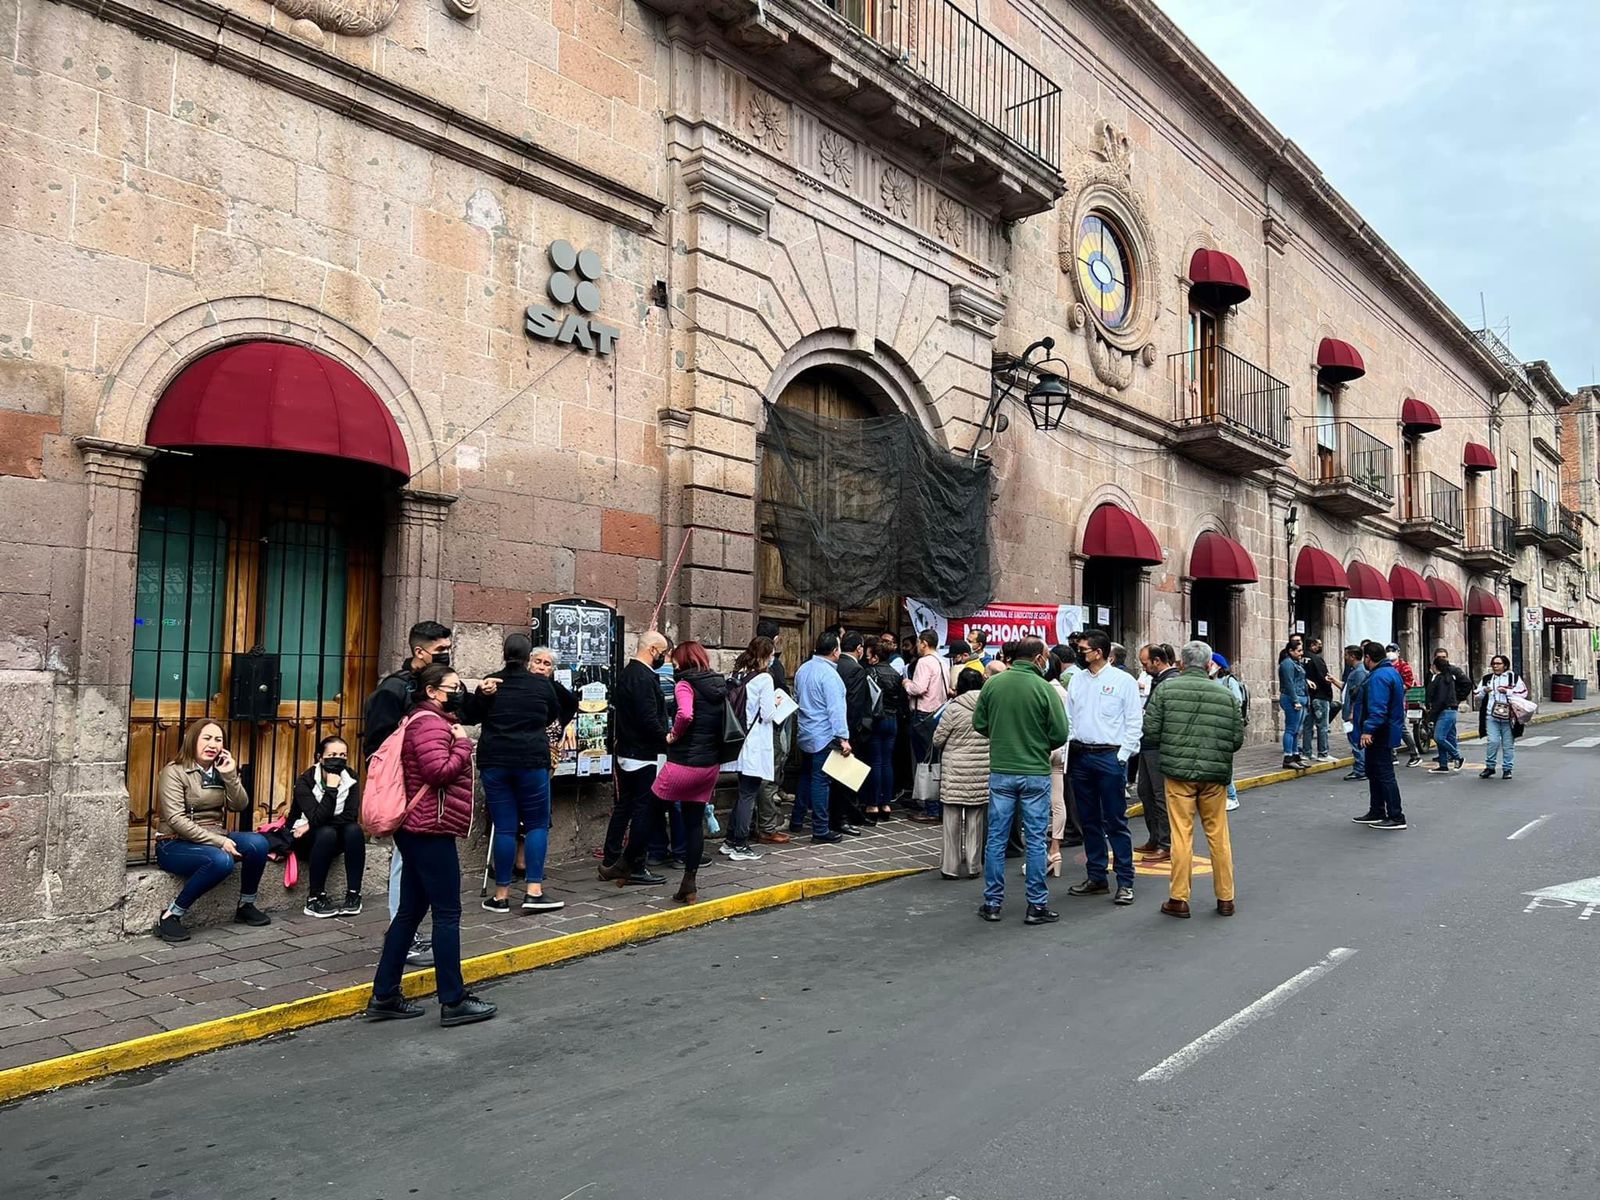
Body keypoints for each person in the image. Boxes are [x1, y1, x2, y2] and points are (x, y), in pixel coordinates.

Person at [365, 664, 496, 1026]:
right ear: (433, 691)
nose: (459, 692)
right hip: (428, 829)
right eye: (453, 687)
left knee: (409, 911)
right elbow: (438, 772)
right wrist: (464, 745)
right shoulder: (429, 723)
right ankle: (453, 1000)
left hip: (419, 828)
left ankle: (385, 994)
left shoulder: (423, 720)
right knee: (448, 912)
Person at [465, 633, 576, 914]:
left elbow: (468, 715)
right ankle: (534, 891)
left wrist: (481, 693)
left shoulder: (491, 682)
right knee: (537, 824)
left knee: (504, 826)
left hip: (495, 762)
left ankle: (500, 895)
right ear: (528, 658)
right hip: (530, 761)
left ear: (504, 654)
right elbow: (554, 713)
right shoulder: (540, 686)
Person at [362, 620, 452, 967]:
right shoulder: (393, 690)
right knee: (403, 860)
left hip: (426, 787)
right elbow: (378, 748)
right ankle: (404, 937)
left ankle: (405, 933)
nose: (445, 655)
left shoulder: (427, 686)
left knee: (412, 862)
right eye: (440, 650)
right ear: (419, 651)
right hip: (405, 788)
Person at [972, 637, 1069, 924]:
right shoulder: (1044, 688)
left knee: (996, 840)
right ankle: (1036, 905)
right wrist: (1038, 743)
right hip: (1035, 772)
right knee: (1037, 840)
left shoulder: (993, 683)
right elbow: (1060, 733)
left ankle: (992, 903)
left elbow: (980, 723)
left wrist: (1003, 736)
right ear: (1039, 658)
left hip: (1002, 769)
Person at [1147, 641, 1244, 918]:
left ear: (1181, 663)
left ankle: (1179, 898)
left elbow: (1151, 732)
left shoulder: (1166, 689)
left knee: (1181, 836)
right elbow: (1236, 739)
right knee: (1218, 836)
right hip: (1214, 775)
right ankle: (1226, 897)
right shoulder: (1225, 695)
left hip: (1178, 773)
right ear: (1207, 664)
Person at [153, 721, 272, 943]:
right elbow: (176, 819)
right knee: (222, 860)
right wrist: (219, 842)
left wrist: (229, 775)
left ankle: (246, 905)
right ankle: (171, 915)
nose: (213, 744)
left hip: (213, 837)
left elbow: (239, 805)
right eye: (206, 738)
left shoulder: (220, 770)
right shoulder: (174, 771)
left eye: (218, 740)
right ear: (192, 740)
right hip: (174, 843)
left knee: (258, 843)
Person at [1065, 630, 1143, 906]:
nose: (1079, 653)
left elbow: (1134, 722)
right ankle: (1096, 876)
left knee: (1115, 821)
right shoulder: (1077, 680)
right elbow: (1069, 717)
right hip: (1082, 755)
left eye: (1083, 649)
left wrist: (1121, 757)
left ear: (1098, 652)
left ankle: (1125, 881)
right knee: (1089, 821)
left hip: (1109, 756)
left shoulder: (1123, 681)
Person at [654, 641, 728, 903]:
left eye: (674, 660)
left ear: (683, 661)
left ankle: (628, 863)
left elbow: (685, 714)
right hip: (710, 764)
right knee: (693, 822)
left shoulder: (685, 684)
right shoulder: (718, 684)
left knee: (648, 806)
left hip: (685, 762)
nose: (672, 664)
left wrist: (674, 734)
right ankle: (690, 882)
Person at [600, 630, 672, 884]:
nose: (663, 657)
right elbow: (648, 717)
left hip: (629, 750)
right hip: (643, 753)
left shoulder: (629, 673)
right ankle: (634, 864)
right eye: (663, 653)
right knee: (644, 810)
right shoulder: (642, 677)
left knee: (625, 806)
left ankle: (612, 858)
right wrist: (666, 737)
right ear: (653, 650)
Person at [292, 736, 365, 919]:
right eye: (332, 755)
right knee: (326, 832)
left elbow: (350, 815)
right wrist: (331, 789)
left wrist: (311, 824)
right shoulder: (305, 782)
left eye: (342, 755)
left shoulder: (351, 778)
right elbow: (317, 818)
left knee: (354, 829)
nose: (337, 759)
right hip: (306, 842)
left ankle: (354, 894)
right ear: (320, 758)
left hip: (334, 837)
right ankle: (315, 898)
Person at [791, 632, 850, 843]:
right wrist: (843, 737)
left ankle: (797, 820)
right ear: (835, 651)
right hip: (823, 734)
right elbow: (836, 710)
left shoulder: (803, 669)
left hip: (806, 731)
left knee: (806, 776)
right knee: (820, 781)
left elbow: (796, 697)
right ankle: (820, 829)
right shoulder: (830, 676)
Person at [723, 636, 776, 862]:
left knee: (743, 792)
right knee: (748, 794)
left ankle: (730, 840)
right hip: (754, 743)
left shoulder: (738, 675)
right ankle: (740, 844)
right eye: (772, 654)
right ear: (766, 655)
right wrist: (777, 703)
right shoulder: (764, 679)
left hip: (738, 741)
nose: (773, 658)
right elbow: (767, 714)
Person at [932, 669, 988, 880]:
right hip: (981, 769)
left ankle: (950, 866)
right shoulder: (987, 707)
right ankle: (974, 865)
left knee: (952, 819)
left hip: (955, 771)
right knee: (975, 818)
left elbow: (938, 739)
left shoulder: (954, 709)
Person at [1351, 641, 1407, 830]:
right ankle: (1377, 810)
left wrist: (1368, 729)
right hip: (1383, 729)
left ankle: (1395, 815)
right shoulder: (1389, 672)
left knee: (1384, 773)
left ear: (1368, 658)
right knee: (1374, 772)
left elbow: (1378, 707)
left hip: (1379, 731)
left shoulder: (1379, 676)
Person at [1134, 643, 1178, 864]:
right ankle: (1155, 837)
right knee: (1146, 792)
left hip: (1158, 746)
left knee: (1159, 795)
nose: (1144, 668)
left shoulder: (1168, 681)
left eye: (1145, 663)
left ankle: (1165, 843)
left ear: (1157, 661)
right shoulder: (1159, 680)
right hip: (1148, 744)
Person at [903, 628, 950, 822]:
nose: (916, 647)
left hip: (923, 715)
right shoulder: (942, 661)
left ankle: (931, 808)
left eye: (918, 643)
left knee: (926, 763)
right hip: (938, 713)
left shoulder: (924, 662)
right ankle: (938, 806)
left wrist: (906, 683)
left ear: (924, 643)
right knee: (936, 761)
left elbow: (919, 688)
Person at [754, 619, 795, 845]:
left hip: (749, 733)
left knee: (750, 781)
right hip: (769, 731)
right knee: (768, 778)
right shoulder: (770, 671)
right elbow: (770, 710)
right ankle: (767, 828)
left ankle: (752, 826)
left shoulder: (743, 666)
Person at [832, 632, 873, 833]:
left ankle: (848, 815)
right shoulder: (856, 669)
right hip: (848, 730)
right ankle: (844, 818)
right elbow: (854, 705)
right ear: (859, 649)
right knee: (846, 778)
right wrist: (852, 733)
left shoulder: (834, 665)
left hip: (833, 728)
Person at [863, 638, 906, 820]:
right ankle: (886, 804)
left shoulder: (870, 672)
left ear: (875, 656)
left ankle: (873, 804)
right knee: (887, 761)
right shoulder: (896, 674)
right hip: (892, 719)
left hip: (876, 720)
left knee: (875, 761)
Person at [1474, 655, 1528, 780]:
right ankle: (1490, 767)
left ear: (1505, 665)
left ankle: (1507, 769)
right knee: (1492, 741)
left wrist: (1507, 691)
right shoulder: (1487, 679)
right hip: (1491, 715)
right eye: (1493, 663)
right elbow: (1477, 695)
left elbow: (1524, 693)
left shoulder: (1513, 677)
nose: (1495, 666)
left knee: (1508, 744)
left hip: (1509, 717)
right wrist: (1484, 691)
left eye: (1498, 663)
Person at [1207, 653, 1246, 810]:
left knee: (1223, 762)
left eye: (1211, 663)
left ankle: (1231, 796)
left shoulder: (1228, 681)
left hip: (1224, 725)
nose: (1209, 666)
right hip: (1211, 726)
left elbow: (1236, 701)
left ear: (1218, 665)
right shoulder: (1208, 680)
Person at [1424, 655, 1465, 774]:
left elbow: (1439, 698)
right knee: (1445, 737)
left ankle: (1457, 757)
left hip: (1444, 711)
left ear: (1435, 666)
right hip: (1447, 710)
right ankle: (1443, 764)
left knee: (1439, 737)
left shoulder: (1441, 679)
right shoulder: (1444, 678)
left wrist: (1431, 713)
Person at [1385, 644, 1424, 767]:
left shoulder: (1404, 666)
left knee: (1401, 729)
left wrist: (1396, 689)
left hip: (1398, 701)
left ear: (1398, 652)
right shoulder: (1385, 665)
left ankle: (1414, 754)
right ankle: (1392, 755)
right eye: (1388, 650)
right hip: (1386, 702)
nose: (1390, 652)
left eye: (1393, 650)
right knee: (1387, 728)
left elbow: (1408, 683)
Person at [1277, 640, 1309, 770]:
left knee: (1297, 730)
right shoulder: (1287, 664)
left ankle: (1296, 755)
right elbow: (1289, 683)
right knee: (1291, 729)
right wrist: (1295, 700)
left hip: (1301, 697)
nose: (1301, 653)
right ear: (1291, 651)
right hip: (1292, 698)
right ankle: (1288, 757)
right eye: (1299, 651)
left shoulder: (1296, 663)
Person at [1302, 637, 1335, 762]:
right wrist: (1328, 693)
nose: (1320, 647)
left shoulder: (1301, 659)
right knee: (1322, 726)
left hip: (1308, 697)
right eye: (1319, 644)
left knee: (1308, 726)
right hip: (1320, 696)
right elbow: (1324, 678)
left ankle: (1307, 752)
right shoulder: (1317, 659)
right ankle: (1323, 753)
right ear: (1312, 645)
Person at [1340, 645, 1369, 782]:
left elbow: (1357, 694)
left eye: (1346, 655)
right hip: (1353, 712)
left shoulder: (1359, 673)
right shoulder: (1355, 671)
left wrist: (1352, 712)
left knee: (1356, 742)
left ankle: (1360, 769)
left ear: (1352, 656)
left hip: (1355, 714)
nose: (1345, 658)